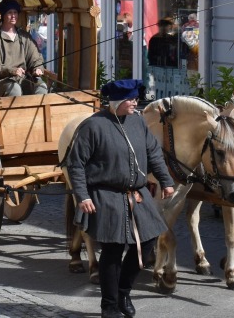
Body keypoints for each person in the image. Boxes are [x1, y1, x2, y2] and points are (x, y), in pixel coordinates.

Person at [65, 79, 175, 318]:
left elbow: (154, 153)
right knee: (113, 251)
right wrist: (82, 196)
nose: (136, 103)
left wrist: (166, 181)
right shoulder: (92, 127)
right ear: (116, 102)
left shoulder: (138, 122)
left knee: (146, 244)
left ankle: (124, 292)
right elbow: (76, 165)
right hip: (106, 195)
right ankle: (109, 305)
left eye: (136, 98)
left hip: (137, 194)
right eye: (131, 100)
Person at [0, 0, 47, 97]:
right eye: (9, 12)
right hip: (1, 81)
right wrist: (12, 70)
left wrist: (37, 68)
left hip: (23, 79)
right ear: (3, 15)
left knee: (41, 87)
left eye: (15, 12)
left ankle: (37, 112)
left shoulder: (24, 36)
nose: (13, 15)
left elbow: (35, 58)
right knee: (15, 89)